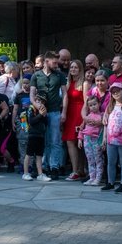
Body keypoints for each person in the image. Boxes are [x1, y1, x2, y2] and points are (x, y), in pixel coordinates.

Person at [30, 51, 67, 179]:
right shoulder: (36, 75)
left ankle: (54, 166)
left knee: (55, 140)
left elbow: (65, 94)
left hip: (55, 110)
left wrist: (64, 111)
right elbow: (32, 94)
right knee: (42, 139)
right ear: (47, 61)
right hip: (41, 112)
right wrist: (37, 106)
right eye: (54, 62)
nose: (57, 65)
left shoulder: (59, 75)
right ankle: (42, 166)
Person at [101, 83, 122, 193]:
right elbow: (105, 123)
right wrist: (104, 138)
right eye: (113, 92)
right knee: (111, 162)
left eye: (118, 91)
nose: (116, 94)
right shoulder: (109, 107)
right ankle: (110, 182)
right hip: (111, 140)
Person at [61, 60, 86, 181]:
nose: (73, 69)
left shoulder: (84, 83)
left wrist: (84, 119)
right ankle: (77, 170)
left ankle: (78, 170)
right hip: (70, 113)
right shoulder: (68, 82)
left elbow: (87, 102)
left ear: (80, 69)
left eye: (76, 67)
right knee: (71, 141)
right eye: (71, 67)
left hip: (79, 113)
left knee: (77, 142)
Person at [23, 92, 50, 182]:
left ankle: (40, 174)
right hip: (33, 134)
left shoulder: (43, 110)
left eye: (42, 101)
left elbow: (46, 123)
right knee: (29, 154)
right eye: (38, 100)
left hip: (41, 135)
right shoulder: (31, 108)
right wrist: (40, 115)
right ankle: (25, 173)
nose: (39, 102)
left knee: (39, 155)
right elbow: (32, 121)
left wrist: (45, 116)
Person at [79, 95, 105, 185]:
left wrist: (103, 141)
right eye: (90, 105)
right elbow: (82, 128)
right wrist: (79, 139)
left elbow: (104, 128)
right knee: (90, 159)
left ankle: (98, 178)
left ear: (99, 104)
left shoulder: (102, 115)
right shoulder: (87, 116)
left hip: (97, 140)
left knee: (98, 159)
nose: (93, 106)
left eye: (95, 104)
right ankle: (92, 177)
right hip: (87, 140)